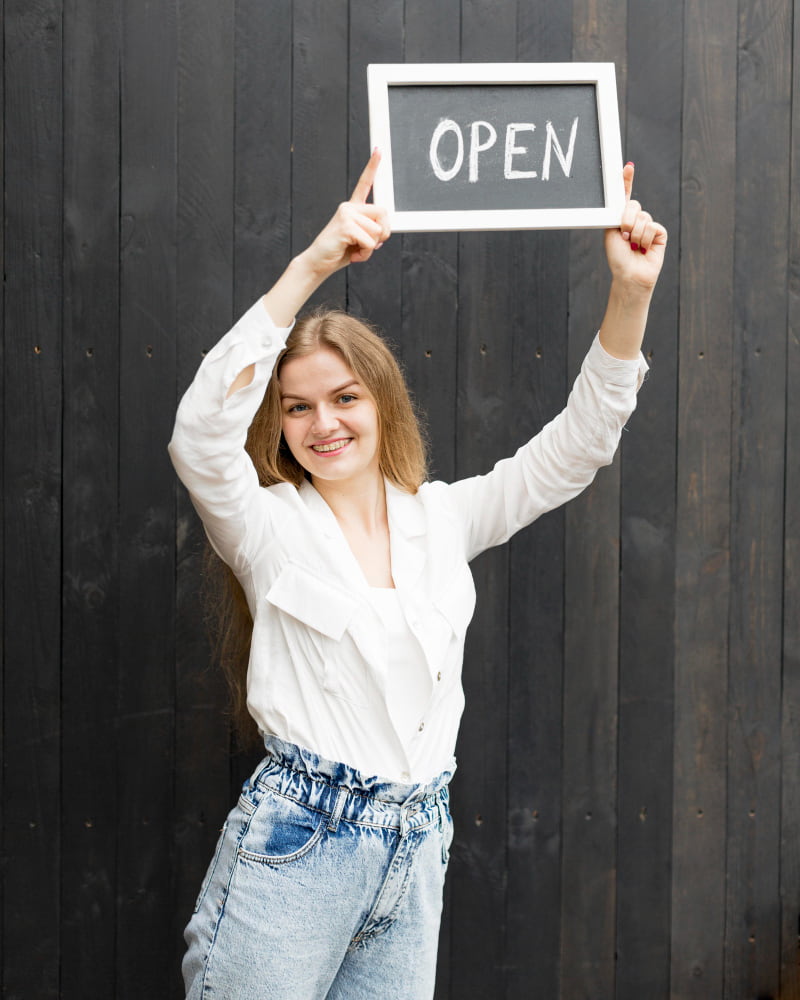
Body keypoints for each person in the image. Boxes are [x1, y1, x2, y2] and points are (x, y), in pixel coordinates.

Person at [169, 149, 667, 1000]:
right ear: (279, 421)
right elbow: (197, 436)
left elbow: (579, 445)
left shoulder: (443, 519)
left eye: (345, 398)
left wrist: (631, 294)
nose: (323, 423)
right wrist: (314, 263)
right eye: (298, 406)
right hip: (297, 849)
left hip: (416, 849)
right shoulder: (265, 528)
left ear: (382, 403)